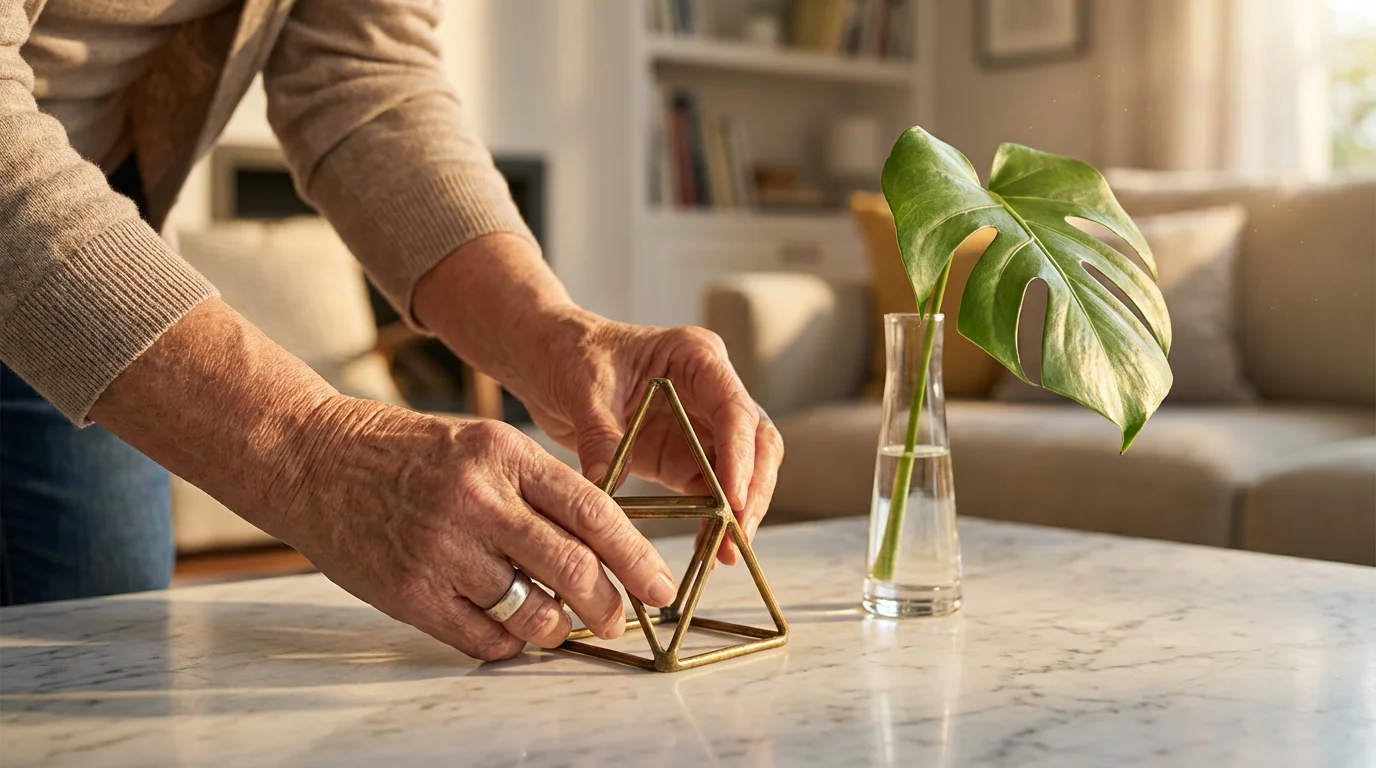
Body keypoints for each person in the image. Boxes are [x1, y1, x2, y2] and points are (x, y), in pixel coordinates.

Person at [0, 1, 783, 661]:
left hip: (91, 240)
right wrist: (317, 453)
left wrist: (550, 334)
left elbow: (363, 78)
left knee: (102, 648)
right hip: (52, 239)